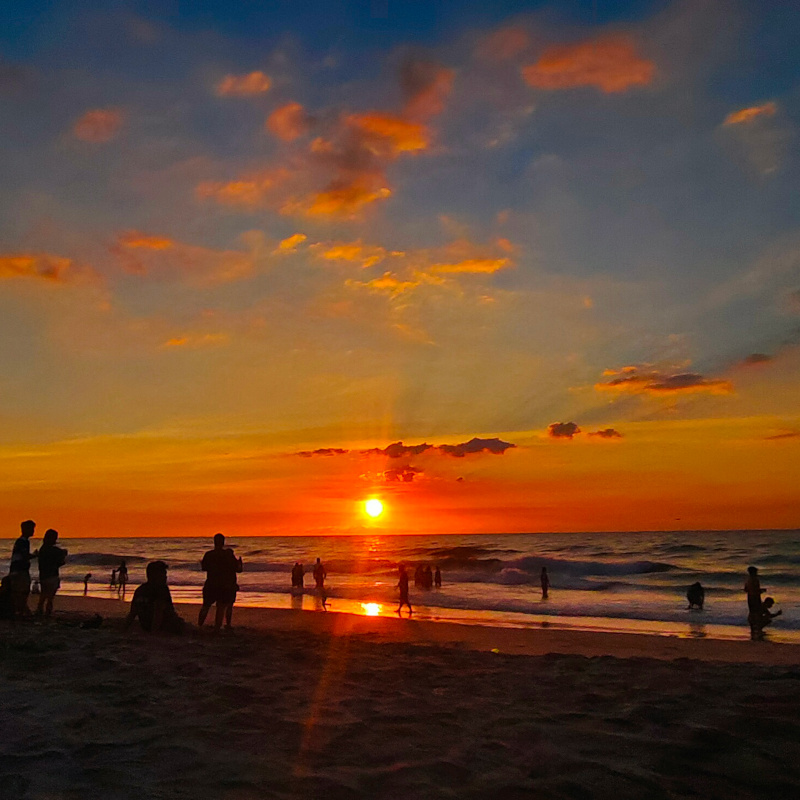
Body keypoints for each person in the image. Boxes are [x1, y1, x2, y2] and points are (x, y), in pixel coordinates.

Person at [198, 533, 243, 630]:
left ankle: (199, 625)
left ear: (214, 542)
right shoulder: (227, 555)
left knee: (205, 606)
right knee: (221, 607)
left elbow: (204, 568)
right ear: (223, 542)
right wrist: (239, 564)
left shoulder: (209, 554)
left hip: (211, 583)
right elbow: (237, 569)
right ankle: (217, 628)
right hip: (223, 585)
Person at [125, 560, 184, 633]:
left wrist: (124, 628)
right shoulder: (161, 589)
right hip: (164, 627)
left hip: (146, 626)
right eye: (163, 574)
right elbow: (158, 612)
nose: (165, 577)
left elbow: (132, 613)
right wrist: (153, 633)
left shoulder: (140, 590)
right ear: (155, 575)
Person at [36, 529, 67, 617]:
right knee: (50, 597)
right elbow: (60, 561)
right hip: (52, 575)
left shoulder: (43, 549)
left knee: (43, 595)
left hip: (43, 575)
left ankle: (40, 610)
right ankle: (46, 612)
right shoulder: (53, 550)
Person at [9, 519, 37, 616]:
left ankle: (21, 610)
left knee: (20, 591)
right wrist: (34, 555)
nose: (33, 531)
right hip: (20, 570)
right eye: (32, 529)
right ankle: (21, 611)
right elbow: (24, 556)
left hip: (17, 569)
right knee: (23, 591)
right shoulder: (23, 542)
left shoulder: (22, 541)